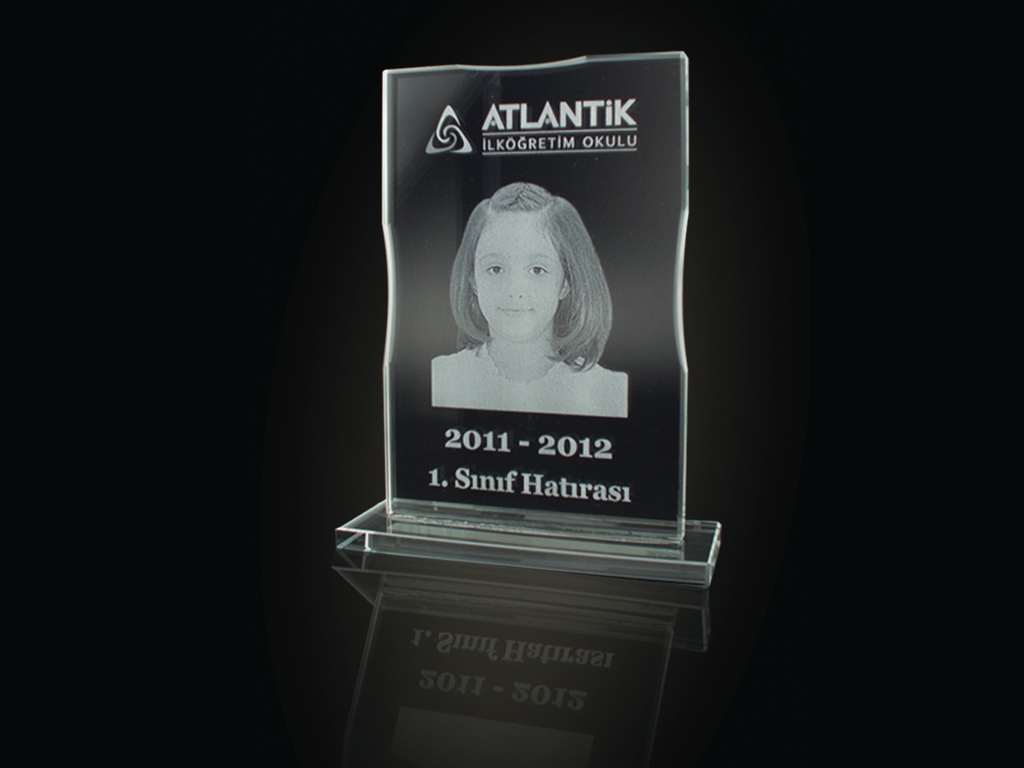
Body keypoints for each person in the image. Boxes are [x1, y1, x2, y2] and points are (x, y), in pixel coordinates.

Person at [432, 182, 628, 418]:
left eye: (537, 270)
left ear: (566, 283)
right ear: (473, 280)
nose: (515, 291)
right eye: (495, 268)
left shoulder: (612, 392)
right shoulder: (440, 378)